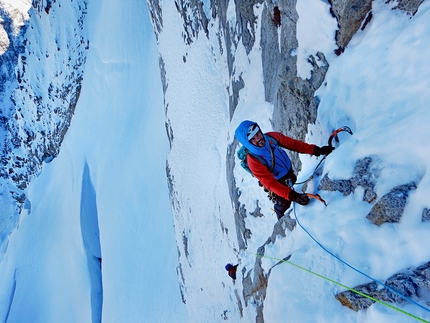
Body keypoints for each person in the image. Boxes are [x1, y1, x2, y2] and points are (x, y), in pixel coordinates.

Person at [235, 120, 333, 219]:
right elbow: (271, 184)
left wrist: (317, 150)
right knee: (283, 203)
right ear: (248, 143)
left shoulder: (271, 138)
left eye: (258, 133)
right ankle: (281, 219)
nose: (258, 138)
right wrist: (294, 197)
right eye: (253, 139)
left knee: (293, 183)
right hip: (277, 182)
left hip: (289, 172)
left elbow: (293, 144)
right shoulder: (253, 160)